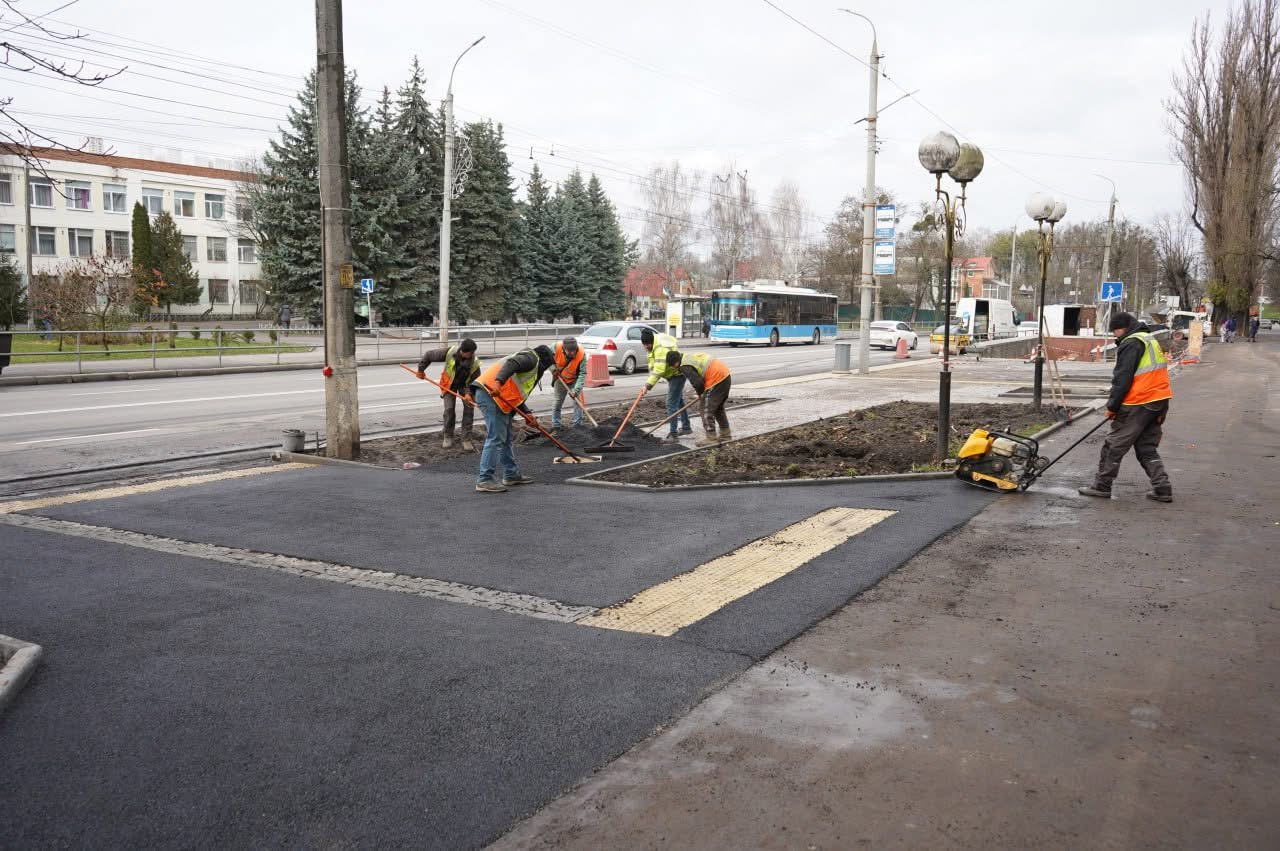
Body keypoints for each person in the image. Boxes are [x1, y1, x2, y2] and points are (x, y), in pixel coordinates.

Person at [1078, 312, 1174, 503]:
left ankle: (1102, 485)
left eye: (1115, 331)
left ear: (1123, 328)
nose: (1115, 336)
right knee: (1146, 447)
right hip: (1159, 400)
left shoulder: (1131, 343)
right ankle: (1162, 487)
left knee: (1113, 445)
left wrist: (1112, 406)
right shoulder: (1148, 339)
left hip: (1138, 401)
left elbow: (1122, 379)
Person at [471, 345, 554, 493]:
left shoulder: (531, 366)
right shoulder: (531, 358)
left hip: (499, 398)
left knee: (506, 438)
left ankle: (511, 474)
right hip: (490, 393)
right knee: (496, 437)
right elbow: (512, 363)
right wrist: (498, 382)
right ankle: (484, 479)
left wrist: (527, 414)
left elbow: (516, 393)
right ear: (544, 361)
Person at [416, 337, 482, 450]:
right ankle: (448, 436)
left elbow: (476, 381)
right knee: (449, 409)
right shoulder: (450, 352)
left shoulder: (474, 363)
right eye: (471, 353)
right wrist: (421, 370)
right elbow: (429, 355)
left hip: (465, 386)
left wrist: (468, 393)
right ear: (463, 351)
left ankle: (466, 439)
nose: (472, 355)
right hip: (449, 384)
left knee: (469, 409)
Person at [666, 350, 731, 446]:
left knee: (705, 409)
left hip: (716, 378)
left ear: (675, 363)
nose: (674, 368)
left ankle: (711, 438)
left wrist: (701, 394)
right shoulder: (686, 356)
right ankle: (726, 435)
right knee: (718, 408)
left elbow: (697, 383)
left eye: (673, 366)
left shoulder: (684, 366)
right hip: (725, 376)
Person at [639, 328, 692, 441]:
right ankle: (686, 427)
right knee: (679, 401)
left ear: (652, 341)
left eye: (647, 344)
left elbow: (659, 370)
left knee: (671, 404)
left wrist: (647, 386)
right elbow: (653, 365)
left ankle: (673, 434)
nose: (646, 347)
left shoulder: (660, 349)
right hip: (672, 375)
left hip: (677, 375)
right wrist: (648, 382)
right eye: (644, 344)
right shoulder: (654, 343)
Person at [549, 336, 586, 431]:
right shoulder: (555, 347)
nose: (572, 353)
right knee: (557, 402)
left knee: (577, 401)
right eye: (570, 351)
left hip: (575, 379)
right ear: (564, 349)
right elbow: (546, 358)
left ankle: (578, 424)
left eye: (574, 351)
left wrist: (576, 390)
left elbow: (582, 373)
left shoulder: (581, 353)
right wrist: (553, 369)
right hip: (560, 378)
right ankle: (556, 425)